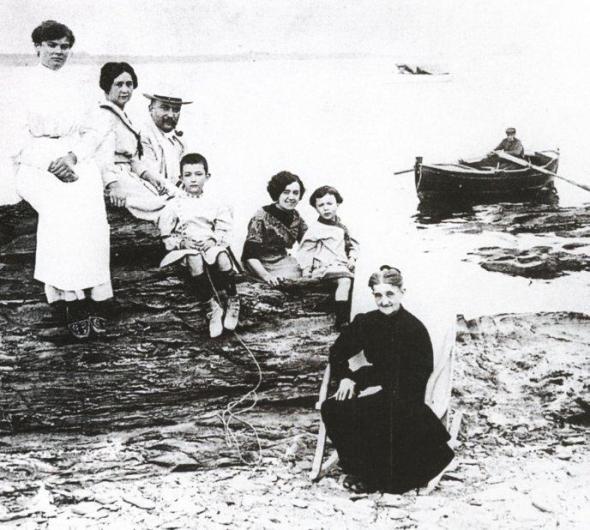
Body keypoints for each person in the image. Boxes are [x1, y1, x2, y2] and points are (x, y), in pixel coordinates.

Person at [13, 20, 113, 340]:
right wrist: (48, 162)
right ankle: (68, 297)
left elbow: (96, 129)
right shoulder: (21, 83)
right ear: (38, 46)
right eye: (52, 45)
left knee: (89, 196)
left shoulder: (79, 83)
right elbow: (12, 138)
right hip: (34, 161)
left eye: (65, 46)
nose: (59, 52)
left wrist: (72, 156)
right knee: (61, 205)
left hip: (73, 154)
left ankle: (97, 291)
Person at [321, 266, 454, 494]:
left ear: (402, 292)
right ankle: (359, 469)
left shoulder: (414, 329)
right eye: (378, 295)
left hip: (404, 394)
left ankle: (381, 477)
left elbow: (419, 374)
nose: (384, 301)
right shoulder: (366, 323)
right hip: (372, 384)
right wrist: (346, 378)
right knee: (333, 408)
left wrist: (380, 388)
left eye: (390, 294)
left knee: (382, 411)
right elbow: (338, 352)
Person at [158, 153, 239, 338]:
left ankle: (234, 300)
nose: (193, 179)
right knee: (194, 259)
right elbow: (166, 234)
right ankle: (212, 307)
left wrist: (213, 240)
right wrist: (181, 242)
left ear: (207, 176)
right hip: (188, 246)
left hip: (210, 243)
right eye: (187, 175)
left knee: (222, 257)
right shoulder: (175, 204)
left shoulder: (216, 202)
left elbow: (224, 227)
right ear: (180, 178)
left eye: (198, 174)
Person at [97, 62, 172, 221]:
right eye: (119, 84)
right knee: (159, 205)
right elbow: (102, 159)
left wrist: (149, 176)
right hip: (115, 176)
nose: (125, 90)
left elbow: (132, 158)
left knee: (171, 192)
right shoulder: (103, 116)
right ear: (107, 86)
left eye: (129, 84)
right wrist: (113, 185)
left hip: (129, 173)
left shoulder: (123, 117)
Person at [297, 185, 359, 328]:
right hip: (324, 267)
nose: (326, 208)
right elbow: (305, 249)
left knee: (352, 278)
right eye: (321, 205)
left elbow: (352, 245)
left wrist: (352, 258)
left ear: (337, 204)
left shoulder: (342, 227)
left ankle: (347, 315)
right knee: (345, 280)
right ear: (316, 208)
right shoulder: (316, 229)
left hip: (341, 265)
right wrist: (306, 270)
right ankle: (342, 320)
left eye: (330, 204)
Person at [242, 171, 307, 286]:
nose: (291, 197)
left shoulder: (296, 217)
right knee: (289, 282)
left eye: (296, 193)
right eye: (286, 192)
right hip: (261, 265)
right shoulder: (260, 218)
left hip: (284, 261)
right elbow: (249, 256)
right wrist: (267, 276)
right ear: (277, 193)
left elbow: (309, 242)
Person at [140, 89, 192, 186]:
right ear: (151, 109)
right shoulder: (143, 135)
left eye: (176, 110)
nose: (171, 115)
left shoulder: (179, 141)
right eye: (165, 108)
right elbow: (152, 175)